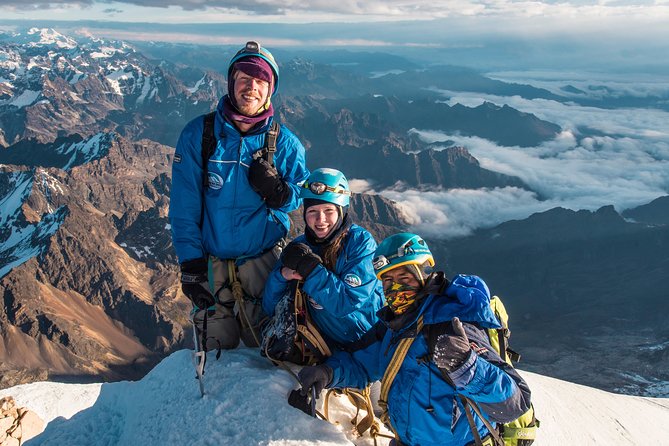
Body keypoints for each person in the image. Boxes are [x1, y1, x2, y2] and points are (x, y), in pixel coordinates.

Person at [297, 233, 532, 446]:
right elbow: (362, 363)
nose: (395, 287)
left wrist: (468, 366)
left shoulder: (450, 325)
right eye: (388, 281)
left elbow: (516, 402)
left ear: (423, 275)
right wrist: (328, 373)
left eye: (404, 277)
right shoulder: (394, 326)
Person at [169, 41, 309, 351]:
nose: (251, 87)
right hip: (211, 266)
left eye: (261, 81)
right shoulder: (199, 135)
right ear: (231, 82)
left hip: (264, 266)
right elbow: (184, 206)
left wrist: (279, 192)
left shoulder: (284, 143)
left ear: (270, 90)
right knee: (218, 361)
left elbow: (301, 193)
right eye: (244, 78)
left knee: (268, 356)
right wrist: (191, 265)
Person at [261, 168, 384, 364]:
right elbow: (269, 307)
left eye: (329, 211)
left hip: (367, 346)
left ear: (341, 211)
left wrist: (311, 270)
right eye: (313, 212)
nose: (321, 220)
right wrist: (281, 276)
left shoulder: (360, 243)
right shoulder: (298, 248)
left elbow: (346, 303)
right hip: (325, 348)